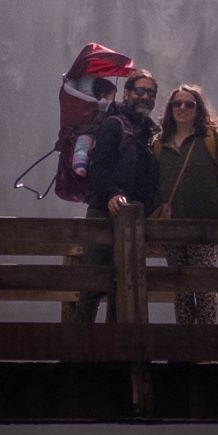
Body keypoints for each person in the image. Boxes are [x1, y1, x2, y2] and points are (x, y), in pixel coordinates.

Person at [153, 83, 218, 326]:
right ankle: (185, 347)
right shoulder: (158, 144)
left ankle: (205, 343)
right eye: (177, 103)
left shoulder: (212, 139)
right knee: (181, 287)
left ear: (198, 109)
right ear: (170, 108)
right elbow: (151, 183)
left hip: (206, 227)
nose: (182, 108)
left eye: (189, 104)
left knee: (205, 285)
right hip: (171, 228)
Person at [74, 68, 159, 324]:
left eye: (150, 93)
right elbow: (97, 166)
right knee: (92, 283)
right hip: (103, 211)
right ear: (127, 93)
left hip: (135, 218)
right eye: (139, 91)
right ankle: (77, 355)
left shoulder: (151, 133)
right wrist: (112, 194)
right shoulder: (113, 124)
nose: (145, 97)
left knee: (124, 285)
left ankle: (115, 355)